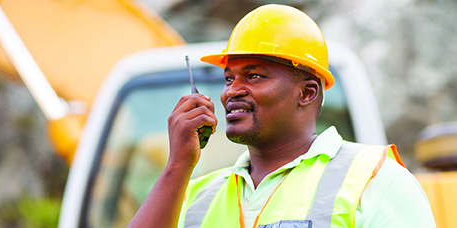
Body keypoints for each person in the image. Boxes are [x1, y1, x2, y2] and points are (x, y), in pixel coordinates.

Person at [128, 4, 436, 228]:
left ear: (307, 93)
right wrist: (178, 165)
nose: (232, 91)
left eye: (255, 76)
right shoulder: (196, 197)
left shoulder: (375, 180)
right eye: (228, 78)